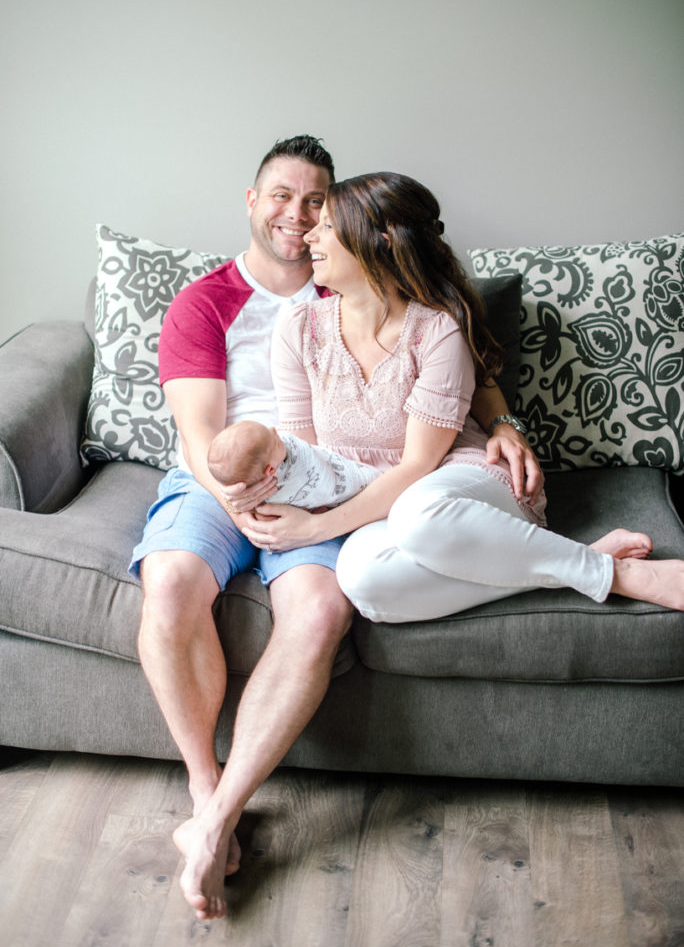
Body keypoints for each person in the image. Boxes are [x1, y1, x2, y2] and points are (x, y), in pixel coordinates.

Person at [131, 137, 545, 922]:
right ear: (252, 202)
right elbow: (198, 433)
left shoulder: (366, 284)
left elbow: (462, 364)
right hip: (217, 482)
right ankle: (207, 793)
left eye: (316, 202)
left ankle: (216, 820)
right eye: (281, 196)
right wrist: (243, 508)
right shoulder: (209, 302)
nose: (299, 217)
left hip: (327, 477)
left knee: (320, 610)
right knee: (173, 583)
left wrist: (504, 425)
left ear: (341, 219)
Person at [238, 171, 684, 627]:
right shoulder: (298, 329)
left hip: (452, 486)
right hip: (375, 508)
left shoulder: (437, 329)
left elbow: (419, 466)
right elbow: (305, 452)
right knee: (363, 580)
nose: (310, 235)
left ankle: (618, 575)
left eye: (328, 225)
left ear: (381, 241)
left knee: (419, 515)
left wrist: (317, 527)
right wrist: (255, 487)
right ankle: (574, 563)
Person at [207, 420, 381, 507]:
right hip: (361, 491)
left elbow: (319, 459)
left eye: (267, 429)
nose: (274, 430)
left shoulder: (287, 452)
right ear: (271, 470)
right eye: (276, 442)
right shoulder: (277, 489)